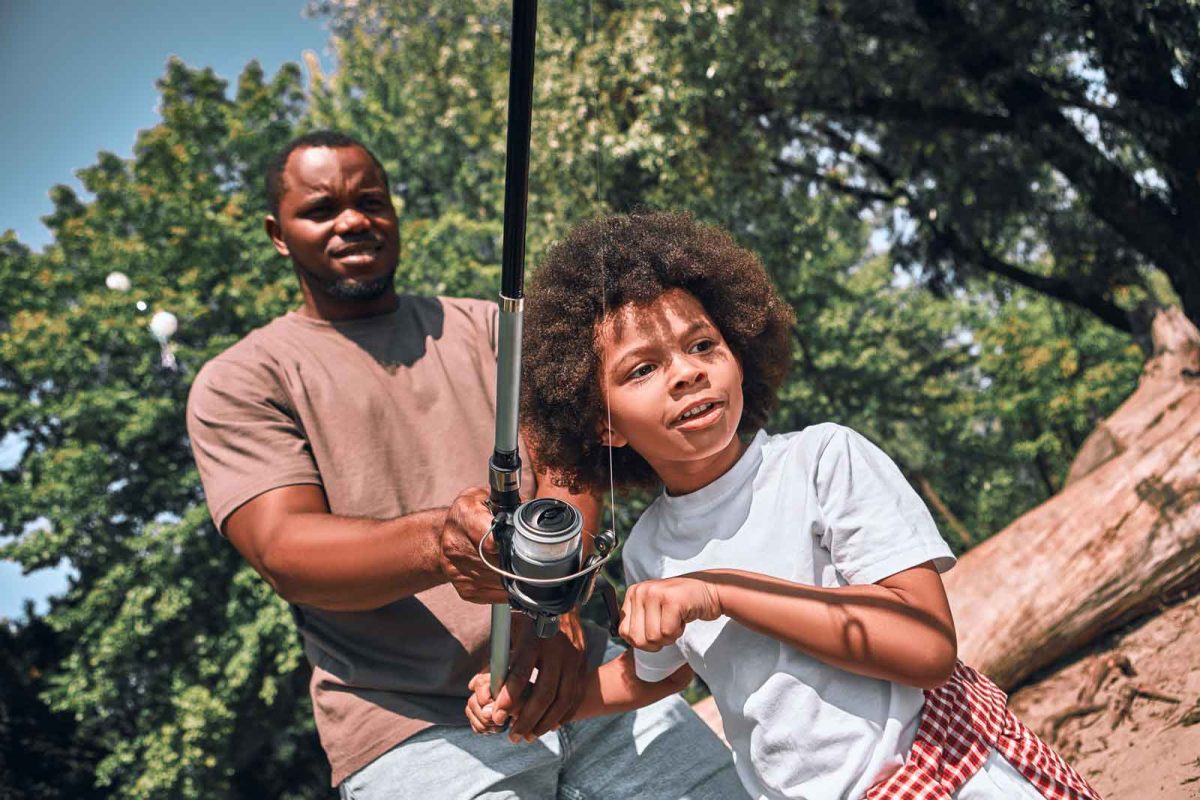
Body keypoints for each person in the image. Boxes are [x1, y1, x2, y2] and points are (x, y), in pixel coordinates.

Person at [466, 211, 1102, 800]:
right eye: (642, 370)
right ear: (604, 427)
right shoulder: (649, 547)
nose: (686, 373)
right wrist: (543, 702)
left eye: (702, 345)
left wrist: (720, 590)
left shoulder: (824, 461)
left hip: (944, 773)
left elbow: (926, 646)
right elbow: (660, 674)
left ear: (740, 354)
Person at [186, 132, 744, 798]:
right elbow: (283, 548)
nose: (354, 220)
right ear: (279, 234)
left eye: (371, 201)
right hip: (408, 728)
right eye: (322, 209)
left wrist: (557, 608)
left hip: (583, 674)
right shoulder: (243, 381)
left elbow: (573, 463)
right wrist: (437, 544)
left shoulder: (492, 327)